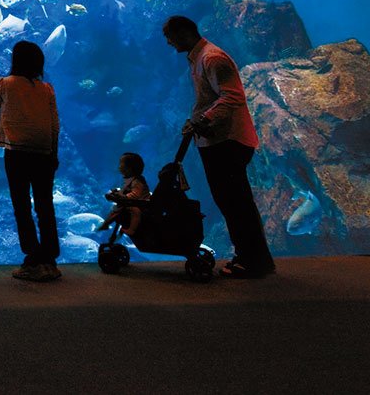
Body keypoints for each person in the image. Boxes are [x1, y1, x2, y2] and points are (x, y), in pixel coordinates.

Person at [162, 15, 275, 278]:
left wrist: (202, 120)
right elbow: (209, 99)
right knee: (232, 203)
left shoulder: (212, 58)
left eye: (170, 36)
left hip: (228, 141)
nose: (168, 42)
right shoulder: (199, 58)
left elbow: (233, 96)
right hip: (216, 140)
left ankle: (254, 261)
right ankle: (250, 257)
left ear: (184, 33)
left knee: (237, 203)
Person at [0, 40, 61, 282]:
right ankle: (49, 259)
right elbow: (55, 124)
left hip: (16, 152)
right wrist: (54, 154)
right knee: (45, 206)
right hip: (44, 152)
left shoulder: (5, 83)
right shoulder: (47, 88)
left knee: (22, 206)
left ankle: (33, 259)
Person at [98, 152, 150, 235]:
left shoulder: (137, 181)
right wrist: (117, 193)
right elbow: (125, 190)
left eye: (121, 164)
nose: (119, 166)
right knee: (116, 209)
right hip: (130, 202)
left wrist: (124, 196)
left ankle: (132, 230)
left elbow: (135, 195)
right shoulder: (129, 179)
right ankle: (106, 224)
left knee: (135, 211)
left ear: (129, 168)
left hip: (141, 204)